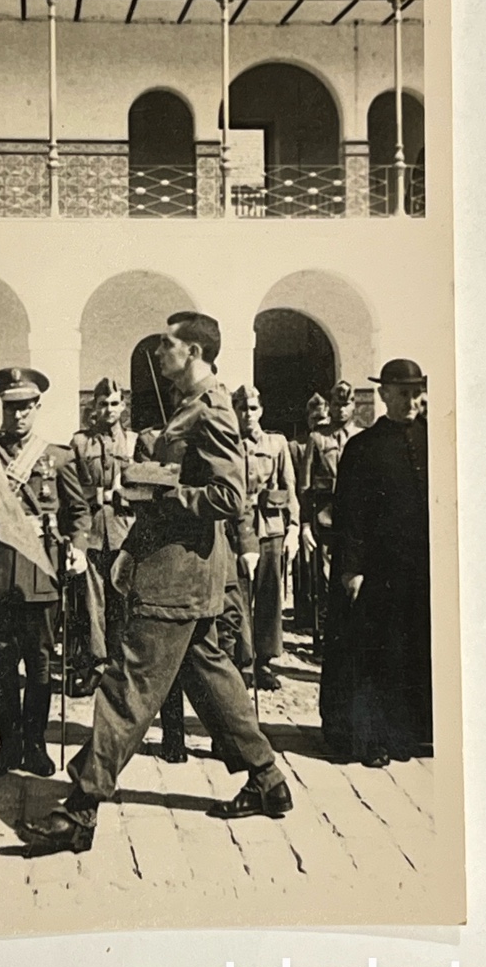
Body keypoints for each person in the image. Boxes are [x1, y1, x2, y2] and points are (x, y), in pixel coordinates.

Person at [18, 313, 292, 856]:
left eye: (166, 344)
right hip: (184, 573)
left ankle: (81, 808)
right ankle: (267, 780)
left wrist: (161, 495)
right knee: (211, 675)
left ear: (192, 351)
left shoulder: (211, 408)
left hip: (177, 577)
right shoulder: (194, 406)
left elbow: (229, 497)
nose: (158, 351)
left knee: (128, 686)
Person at [0, 367, 90, 778]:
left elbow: (79, 511)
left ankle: (36, 744)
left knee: (40, 663)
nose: (18, 415)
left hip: (41, 572)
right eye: (10, 407)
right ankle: (8, 746)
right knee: (2, 666)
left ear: (37, 407)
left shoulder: (56, 457)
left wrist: (77, 548)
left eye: (25, 406)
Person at [319, 359, 432, 767]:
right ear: (383, 394)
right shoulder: (362, 447)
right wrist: (351, 568)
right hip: (379, 573)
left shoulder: (436, 439)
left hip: (423, 570)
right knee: (375, 655)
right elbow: (349, 514)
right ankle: (370, 739)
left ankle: (415, 735)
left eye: (417, 391)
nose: (412, 400)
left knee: (416, 650)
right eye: (402, 392)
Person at [227, 385, 300, 691]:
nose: (248, 415)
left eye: (253, 409)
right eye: (242, 409)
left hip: (271, 529)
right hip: (237, 532)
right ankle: (242, 661)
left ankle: (264, 661)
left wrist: (294, 526)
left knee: (270, 596)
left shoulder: (277, 443)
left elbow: (289, 486)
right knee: (240, 596)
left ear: (261, 410)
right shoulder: (228, 444)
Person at [68, 378, 138, 695]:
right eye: (102, 403)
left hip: (125, 531)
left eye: (114, 403)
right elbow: (72, 487)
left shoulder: (135, 443)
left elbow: (142, 486)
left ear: (123, 405)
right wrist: (98, 493)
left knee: (123, 599)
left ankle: (121, 665)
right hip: (94, 530)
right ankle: (96, 664)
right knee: (91, 602)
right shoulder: (80, 443)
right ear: (93, 407)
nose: (108, 409)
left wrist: (122, 492)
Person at [299, 381, 363, 648]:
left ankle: (352, 633)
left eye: (346, 404)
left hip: (355, 520)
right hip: (326, 518)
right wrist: (304, 523)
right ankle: (324, 634)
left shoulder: (362, 438)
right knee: (324, 577)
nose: (341, 409)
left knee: (353, 574)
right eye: (336, 404)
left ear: (354, 406)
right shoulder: (317, 438)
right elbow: (304, 486)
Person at [288, 393, 329, 635]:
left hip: (322, 511)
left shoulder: (327, 441)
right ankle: (303, 615)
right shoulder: (295, 446)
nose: (319, 422)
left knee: (319, 568)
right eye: (315, 418)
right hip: (303, 507)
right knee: (303, 567)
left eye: (322, 418)